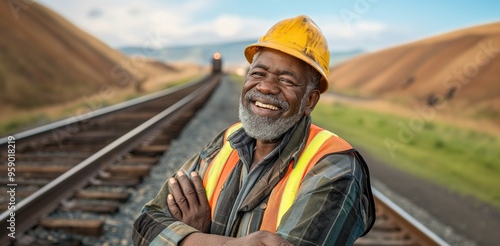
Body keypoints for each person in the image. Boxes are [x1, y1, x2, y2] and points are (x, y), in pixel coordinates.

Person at [133, 15, 375, 246]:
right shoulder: (227, 141)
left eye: (287, 80)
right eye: (258, 73)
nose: (267, 87)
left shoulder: (334, 166)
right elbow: (144, 225)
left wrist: (188, 236)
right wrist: (202, 239)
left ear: (309, 101)